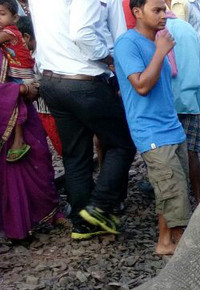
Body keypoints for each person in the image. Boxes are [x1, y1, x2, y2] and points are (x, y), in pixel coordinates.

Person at [30, 0, 135, 240]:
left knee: (76, 154)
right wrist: (108, 57)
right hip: (84, 79)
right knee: (122, 143)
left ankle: (81, 222)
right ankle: (99, 207)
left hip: (52, 80)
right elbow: (82, 33)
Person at [114, 0, 192, 255]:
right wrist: (160, 51)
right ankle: (179, 247)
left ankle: (166, 241)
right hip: (151, 131)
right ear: (137, 12)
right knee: (173, 191)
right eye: (156, 10)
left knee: (171, 190)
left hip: (170, 126)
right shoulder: (128, 43)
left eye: (164, 9)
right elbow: (142, 86)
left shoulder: (158, 41)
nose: (164, 16)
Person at [0, 14, 59, 240]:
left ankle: (45, 212)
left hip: (23, 111)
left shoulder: (10, 37)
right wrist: (20, 91)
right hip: (9, 112)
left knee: (40, 156)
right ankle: (17, 225)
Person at [164, 14, 200, 203]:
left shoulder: (151, 30)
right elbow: (198, 67)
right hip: (189, 100)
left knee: (167, 155)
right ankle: (199, 199)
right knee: (191, 153)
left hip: (163, 101)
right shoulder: (187, 28)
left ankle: (176, 201)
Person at [0, 0, 33, 161]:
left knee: (15, 100)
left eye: (2, 14)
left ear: (15, 18)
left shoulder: (10, 32)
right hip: (17, 74)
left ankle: (18, 140)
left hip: (23, 76)